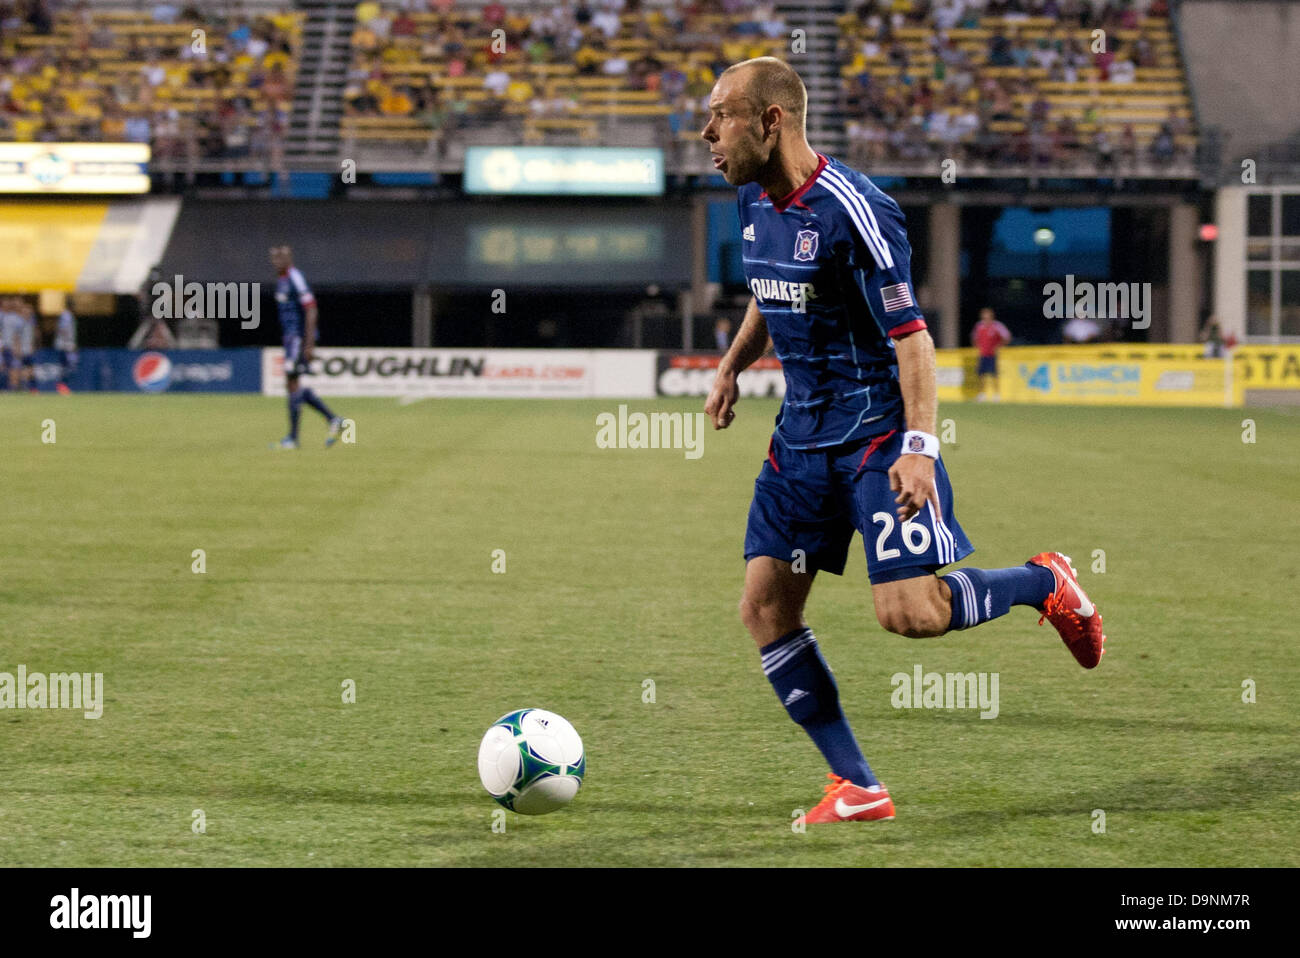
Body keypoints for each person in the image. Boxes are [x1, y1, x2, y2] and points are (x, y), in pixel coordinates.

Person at [701, 57, 1106, 825]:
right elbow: (770, 291)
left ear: (770, 119)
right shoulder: (755, 203)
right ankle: (858, 785)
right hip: (799, 440)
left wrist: (918, 444)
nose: (706, 133)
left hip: (876, 437)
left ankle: (1043, 583)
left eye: (719, 115)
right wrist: (730, 367)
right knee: (764, 612)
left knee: (912, 614)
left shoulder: (859, 209)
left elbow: (911, 336)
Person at [269, 245, 344, 449]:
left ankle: (293, 439)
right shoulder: (282, 280)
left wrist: (308, 344)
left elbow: (311, 309)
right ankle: (333, 420)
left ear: (289, 258)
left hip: (298, 339)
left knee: (292, 383)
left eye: (280, 258)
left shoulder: (295, 277)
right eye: (273, 258)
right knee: (293, 384)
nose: (275, 262)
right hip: (290, 339)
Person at [972, 307, 1011, 401]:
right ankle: (981, 394)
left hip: (993, 354)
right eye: (983, 315)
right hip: (983, 354)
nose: (985, 317)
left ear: (991, 316)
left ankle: (996, 394)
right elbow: (974, 337)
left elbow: (1007, 337)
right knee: (981, 374)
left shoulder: (997, 326)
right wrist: (978, 347)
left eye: (987, 315)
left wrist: (998, 346)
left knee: (994, 374)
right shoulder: (979, 326)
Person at [54, 303, 77, 394]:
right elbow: (63, 330)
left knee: (66, 366)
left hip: (64, 344)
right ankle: (61, 386)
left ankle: (62, 385)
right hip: (65, 345)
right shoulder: (66, 316)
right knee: (66, 366)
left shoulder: (65, 315)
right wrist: (68, 343)